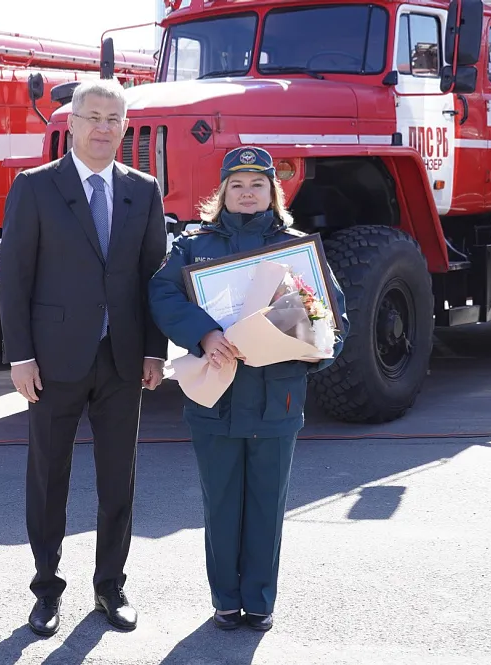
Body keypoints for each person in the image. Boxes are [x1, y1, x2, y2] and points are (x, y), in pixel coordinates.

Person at [148, 147, 350, 632]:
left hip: (275, 398)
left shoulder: (295, 250)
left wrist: (304, 351)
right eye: (235, 185)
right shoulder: (192, 246)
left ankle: (259, 601)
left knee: (265, 504)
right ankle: (224, 599)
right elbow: (162, 292)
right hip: (214, 397)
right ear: (221, 194)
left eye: (256, 185)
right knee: (220, 503)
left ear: (272, 194)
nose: (246, 193)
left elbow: (332, 321)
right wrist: (206, 333)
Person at [0, 78, 169, 636]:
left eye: (113, 119)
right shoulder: (35, 186)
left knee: (118, 480)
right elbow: (14, 279)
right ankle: (46, 590)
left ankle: (110, 587)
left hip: (121, 360)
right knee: (49, 478)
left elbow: (153, 276)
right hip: (51, 361)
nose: (102, 128)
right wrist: (20, 355)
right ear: (71, 123)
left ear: (125, 127)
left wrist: (152, 350)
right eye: (92, 117)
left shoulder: (143, 190)